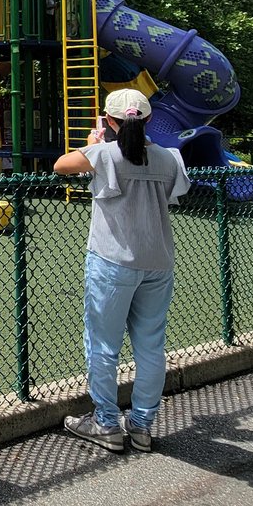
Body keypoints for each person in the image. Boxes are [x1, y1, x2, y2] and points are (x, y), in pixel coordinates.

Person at [53, 88, 190, 454]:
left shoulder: (103, 155)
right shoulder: (169, 158)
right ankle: (143, 425)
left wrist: (93, 141)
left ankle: (107, 422)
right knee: (150, 346)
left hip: (112, 261)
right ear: (147, 120)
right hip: (158, 262)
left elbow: (60, 165)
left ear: (109, 120)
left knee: (103, 344)